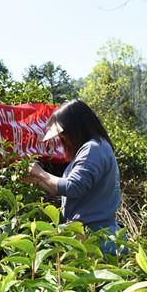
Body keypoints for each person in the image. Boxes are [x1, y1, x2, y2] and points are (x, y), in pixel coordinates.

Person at [24, 100, 123, 254]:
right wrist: (38, 180)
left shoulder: (92, 149)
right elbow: (66, 189)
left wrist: (39, 172)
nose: (62, 139)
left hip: (95, 238)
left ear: (76, 128)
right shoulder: (99, 146)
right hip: (96, 234)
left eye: (63, 134)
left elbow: (72, 187)